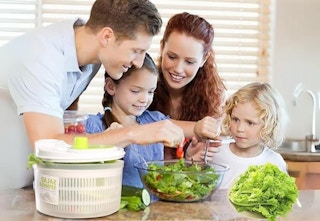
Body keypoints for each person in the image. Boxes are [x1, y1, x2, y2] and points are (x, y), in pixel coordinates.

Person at [0, 0, 185, 190]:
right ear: (106, 36)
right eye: (136, 51)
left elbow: (66, 110)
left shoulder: (90, 53)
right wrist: (131, 133)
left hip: (26, 178)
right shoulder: (41, 60)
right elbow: (49, 146)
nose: (139, 62)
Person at [86, 53, 174, 187]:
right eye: (135, 91)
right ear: (111, 86)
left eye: (150, 92)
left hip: (156, 206)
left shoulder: (155, 121)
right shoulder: (94, 126)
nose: (144, 99)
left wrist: (191, 156)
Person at [149, 12, 226, 160]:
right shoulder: (142, 85)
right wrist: (195, 129)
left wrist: (190, 160)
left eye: (189, 62)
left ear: (204, 59)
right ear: (162, 47)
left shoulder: (214, 99)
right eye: (172, 57)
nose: (178, 69)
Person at [213, 82, 289, 189]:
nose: (239, 129)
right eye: (235, 119)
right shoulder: (216, 153)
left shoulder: (275, 162)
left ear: (269, 125)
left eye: (249, 123)